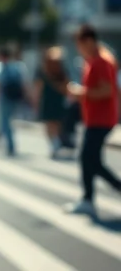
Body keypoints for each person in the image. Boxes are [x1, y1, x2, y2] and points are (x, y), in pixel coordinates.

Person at [64, 25, 121, 215]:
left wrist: (81, 93)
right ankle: (88, 199)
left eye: (79, 44)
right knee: (90, 159)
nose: (79, 49)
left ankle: (88, 199)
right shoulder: (94, 60)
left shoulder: (101, 61)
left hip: (101, 119)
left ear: (87, 41)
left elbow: (107, 90)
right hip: (96, 119)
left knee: (89, 159)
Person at [34, 47, 69, 158]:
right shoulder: (61, 71)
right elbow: (66, 86)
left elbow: (38, 87)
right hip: (58, 99)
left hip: (48, 99)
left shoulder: (43, 70)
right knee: (56, 123)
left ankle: (54, 144)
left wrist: (36, 101)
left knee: (49, 124)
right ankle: (56, 143)